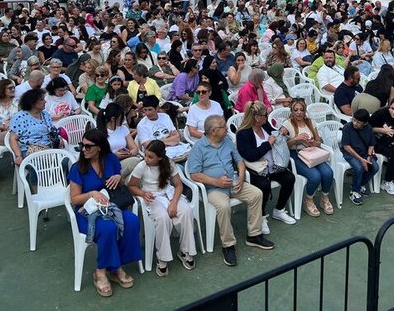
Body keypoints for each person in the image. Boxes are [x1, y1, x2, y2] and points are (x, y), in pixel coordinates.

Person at [186, 114, 273, 267]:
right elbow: (194, 174)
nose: (227, 129)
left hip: (233, 182)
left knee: (256, 194)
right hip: (214, 188)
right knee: (224, 206)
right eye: (224, 127)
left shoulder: (226, 141)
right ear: (213, 131)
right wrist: (216, 182)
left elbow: (239, 160)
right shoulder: (198, 148)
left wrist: (240, 177)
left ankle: (254, 235)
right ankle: (228, 245)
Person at [68, 129, 141, 297]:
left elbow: (120, 182)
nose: (84, 150)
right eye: (82, 146)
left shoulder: (111, 159)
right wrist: (92, 193)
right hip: (87, 212)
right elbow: (74, 199)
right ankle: (101, 272)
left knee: (132, 221)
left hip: (110, 206)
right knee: (108, 228)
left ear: (100, 147)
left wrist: (118, 178)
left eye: (88, 146)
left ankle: (116, 266)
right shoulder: (78, 167)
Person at [128, 140, 197, 277]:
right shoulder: (141, 166)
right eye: (146, 155)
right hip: (152, 197)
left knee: (186, 211)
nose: (146, 159)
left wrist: (173, 203)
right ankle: (162, 258)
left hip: (169, 194)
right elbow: (131, 186)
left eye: (150, 157)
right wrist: (143, 193)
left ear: (159, 158)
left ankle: (185, 250)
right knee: (162, 218)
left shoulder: (169, 163)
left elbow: (178, 185)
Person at [236, 102, 297, 231]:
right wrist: (268, 144)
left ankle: (279, 210)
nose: (267, 117)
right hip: (255, 169)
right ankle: (261, 215)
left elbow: (276, 135)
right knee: (264, 185)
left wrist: (281, 131)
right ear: (256, 117)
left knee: (289, 178)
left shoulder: (265, 125)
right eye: (265, 115)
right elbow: (250, 156)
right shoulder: (243, 134)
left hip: (272, 165)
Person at [9, 88, 57, 165]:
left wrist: (58, 138)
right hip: (28, 150)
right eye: (42, 100)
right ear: (33, 103)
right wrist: (18, 156)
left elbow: (51, 131)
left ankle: (56, 177)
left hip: (47, 148)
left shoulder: (45, 114)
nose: (45, 101)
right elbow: (13, 139)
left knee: (64, 161)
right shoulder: (20, 117)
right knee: (38, 164)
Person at [340, 109, 379, 205]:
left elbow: (371, 144)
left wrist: (369, 157)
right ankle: (354, 191)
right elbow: (347, 147)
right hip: (350, 154)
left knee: (375, 167)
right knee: (358, 168)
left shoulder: (368, 128)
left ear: (365, 123)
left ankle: (359, 184)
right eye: (354, 120)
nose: (355, 123)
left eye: (358, 122)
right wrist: (362, 160)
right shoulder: (347, 127)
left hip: (364, 153)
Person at [96, 103, 141, 178]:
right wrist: (114, 156)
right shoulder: (99, 133)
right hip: (109, 164)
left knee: (138, 165)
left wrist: (127, 153)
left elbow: (134, 148)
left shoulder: (123, 129)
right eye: (122, 117)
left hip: (125, 158)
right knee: (136, 162)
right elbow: (98, 157)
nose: (123, 119)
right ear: (113, 119)